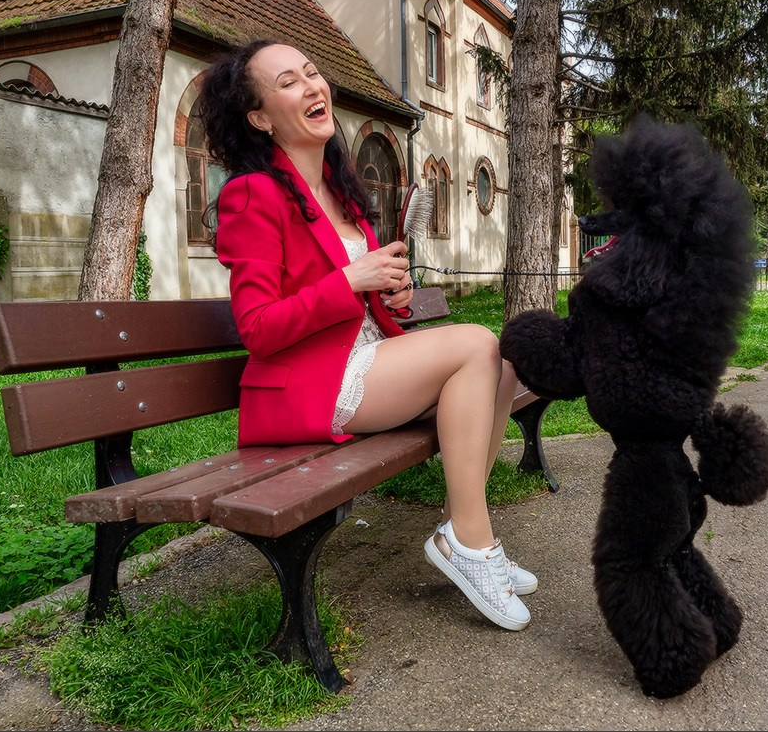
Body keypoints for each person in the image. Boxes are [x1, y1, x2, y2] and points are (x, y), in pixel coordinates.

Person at [197, 38, 535, 631]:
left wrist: (390, 298)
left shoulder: (340, 194)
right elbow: (257, 328)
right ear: (258, 116)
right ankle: (471, 544)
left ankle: (466, 530)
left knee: (505, 360)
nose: (312, 86)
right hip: (311, 385)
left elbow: (355, 305)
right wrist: (352, 279)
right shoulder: (253, 194)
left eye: (312, 72)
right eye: (288, 82)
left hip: (363, 364)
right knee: (478, 342)